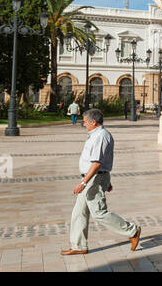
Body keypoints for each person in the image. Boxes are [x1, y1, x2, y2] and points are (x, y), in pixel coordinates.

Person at [60, 109, 141, 256]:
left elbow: (97, 163)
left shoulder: (101, 136)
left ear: (93, 122)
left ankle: (132, 230)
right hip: (94, 177)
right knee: (79, 213)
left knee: (98, 213)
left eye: (85, 121)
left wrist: (84, 183)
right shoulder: (95, 135)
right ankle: (79, 246)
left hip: (93, 178)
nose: (83, 124)